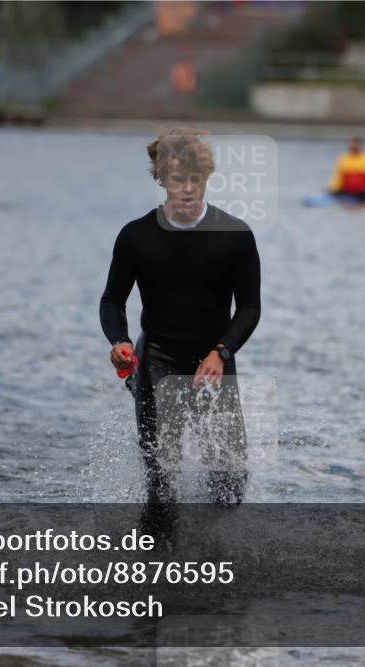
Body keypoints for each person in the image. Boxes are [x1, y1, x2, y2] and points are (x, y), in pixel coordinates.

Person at [99, 128, 261, 521]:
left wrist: (221, 353)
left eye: (195, 180)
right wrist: (119, 341)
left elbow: (250, 308)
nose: (187, 189)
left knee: (229, 485)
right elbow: (112, 300)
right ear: (161, 179)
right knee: (160, 477)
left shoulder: (235, 235)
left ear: (205, 179)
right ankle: (157, 569)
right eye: (177, 179)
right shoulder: (136, 236)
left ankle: (211, 560)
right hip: (157, 359)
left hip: (214, 364)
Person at [328, 135, 365, 203]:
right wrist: (333, 189)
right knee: (333, 195)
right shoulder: (343, 158)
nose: (354, 147)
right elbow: (337, 177)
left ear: (360, 145)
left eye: (356, 144)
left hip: (362, 193)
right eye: (352, 144)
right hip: (347, 191)